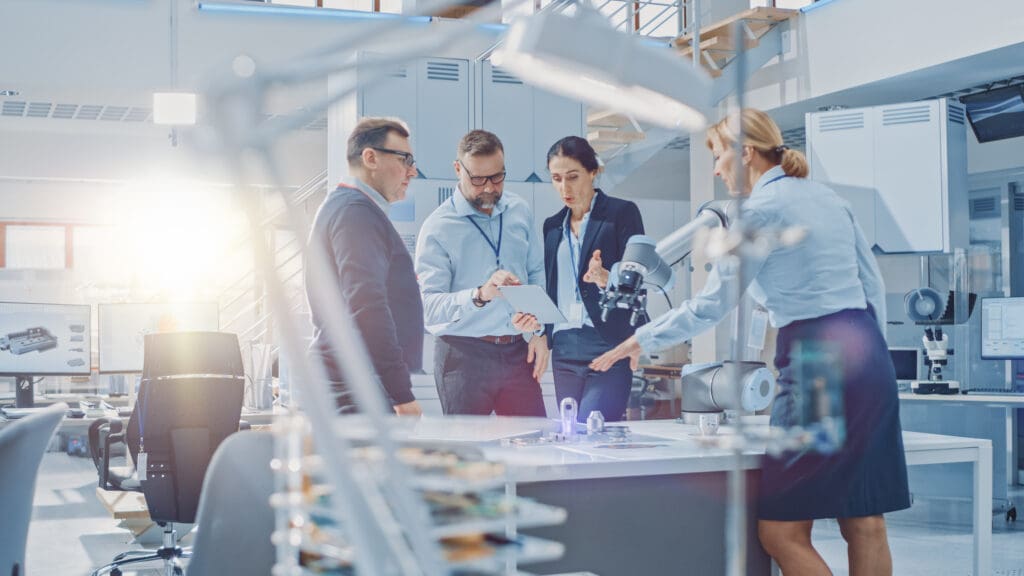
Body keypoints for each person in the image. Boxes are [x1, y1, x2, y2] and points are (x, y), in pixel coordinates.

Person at [591, 109, 909, 576]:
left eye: (719, 156)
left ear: (744, 153)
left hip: (815, 357)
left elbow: (710, 306)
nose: (717, 169)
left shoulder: (757, 214)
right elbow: (872, 285)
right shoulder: (828, 198)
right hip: (868, 351)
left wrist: (640, 339)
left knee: (780, 531)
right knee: (865, 518)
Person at [415, 129, 549, 416]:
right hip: (463, 355)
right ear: (457, 169)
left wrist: (540, 331)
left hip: (517, 352)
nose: (489, 188)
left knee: (535, 446)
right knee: (471, 453)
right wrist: (480, 295)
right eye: (477, 179)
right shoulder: (438, 227)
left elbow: (536, 272)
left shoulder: (519, 211)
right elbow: (428, 308)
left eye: (497, 177)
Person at [305, 117, 423, 416]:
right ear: (370, 158)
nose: (413, 171)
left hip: (356, 380)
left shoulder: (351, 208)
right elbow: (367, 304)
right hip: (356, 385)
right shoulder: (355, 212)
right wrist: (401, 394)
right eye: (405, 159)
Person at [530, 136, 645, 422]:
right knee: (571, 432)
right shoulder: (552, 227)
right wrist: (542, 333)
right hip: (566, 347)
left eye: (573, 177)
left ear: (593, 172)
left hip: (609, 341)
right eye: (556, 178)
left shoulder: (621, 214)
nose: (564, 188)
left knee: (593, 430)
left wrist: (608, 278)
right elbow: (552, 286)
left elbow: (639, 274)